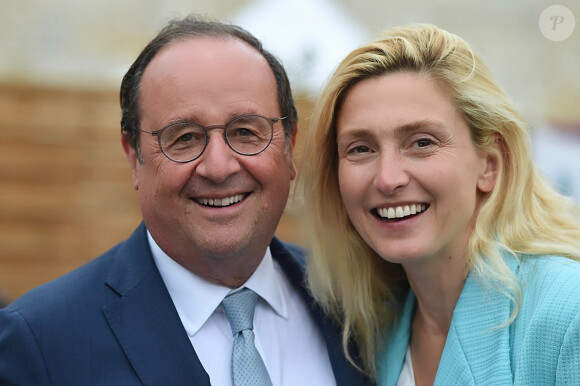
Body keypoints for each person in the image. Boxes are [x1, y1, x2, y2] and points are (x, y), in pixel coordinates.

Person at [0, 15, 369, 385]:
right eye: (185, 138)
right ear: (134, 158)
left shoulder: (360, 306)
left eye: (245, 132)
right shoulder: (42, 342)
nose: (219, 167)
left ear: (289, 147)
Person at [296, 24, 580, 385]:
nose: (387, 178)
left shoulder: (569, 311)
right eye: (361, 148)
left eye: (422, 142)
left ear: (490, 164)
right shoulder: (373, 331)